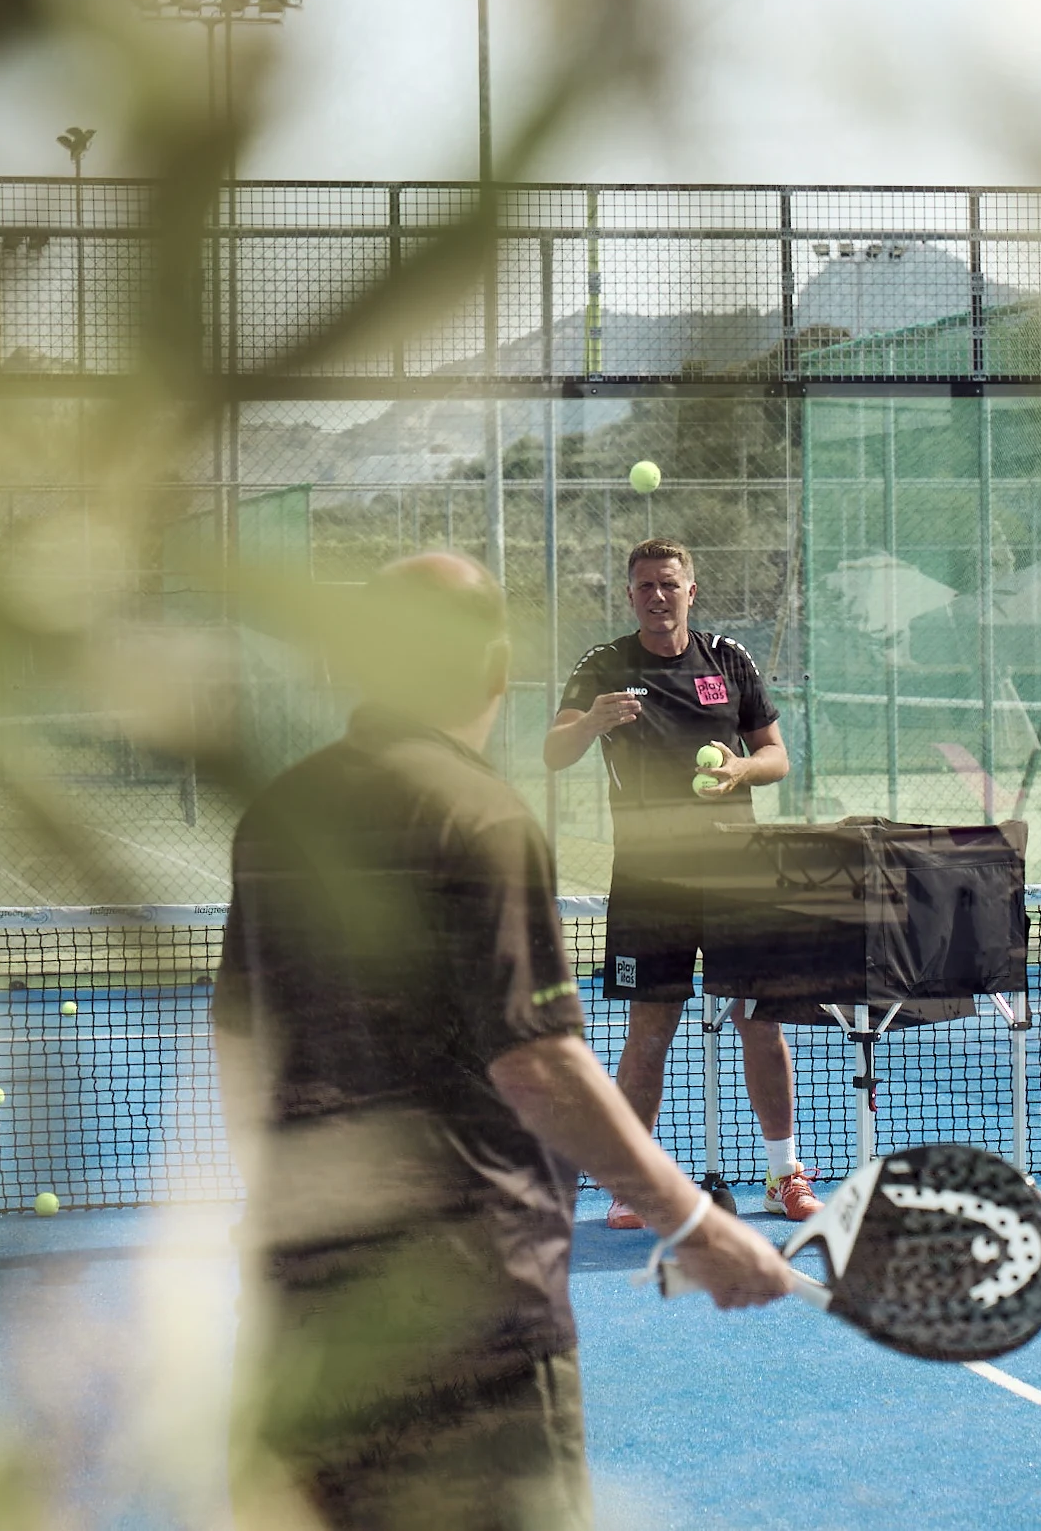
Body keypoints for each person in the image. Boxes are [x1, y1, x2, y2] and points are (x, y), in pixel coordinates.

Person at [212, 553, 791, 1531]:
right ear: (494, 671)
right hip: (477, 1309)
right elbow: (539, 1065)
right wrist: (694, 1225)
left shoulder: (278, 814)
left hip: (310, 1308)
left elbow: (239, 1043)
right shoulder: (480, 816)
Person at [543, 538, 822, 1227]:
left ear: (690, 590)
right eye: (643, 586)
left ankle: (783, 1174)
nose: (656, 595)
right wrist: (591, 722)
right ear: (630, 595)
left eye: (668, 583)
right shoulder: (602, 666)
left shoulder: (728, 659)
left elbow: (775, 756)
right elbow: (553, 752)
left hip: (736, 876)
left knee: (759, 1021)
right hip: (648, 882)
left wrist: (739, 771)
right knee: (649, 1032)